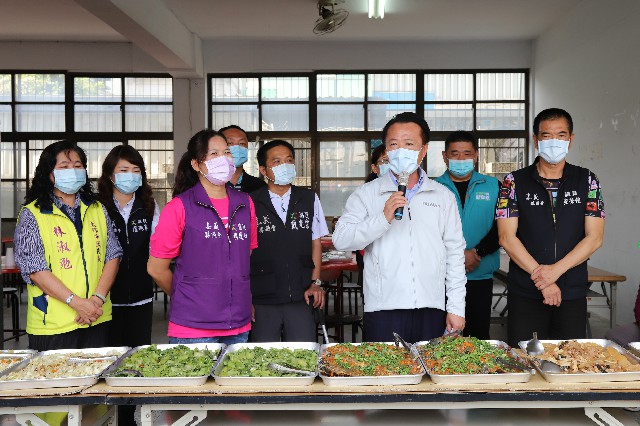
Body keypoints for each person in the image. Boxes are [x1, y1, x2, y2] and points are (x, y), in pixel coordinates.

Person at [333, 112, 467, 343]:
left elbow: (454, 254)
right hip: (383, 308)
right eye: (394, 144)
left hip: (432, 306)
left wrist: (456, 307)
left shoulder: (442, 196)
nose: (401, 150)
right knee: (387, 375)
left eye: (409, 144)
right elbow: (341, 240)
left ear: (423, 150)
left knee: (431, 372)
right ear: (386, 150)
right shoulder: (367, 194)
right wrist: (382, 218)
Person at [496, 108, 605, 347]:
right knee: (525, 361)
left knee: (569, 364)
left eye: (561, 135)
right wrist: (543, 280)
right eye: (546, 136)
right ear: (536, 140)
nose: (554, 142)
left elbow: (594, 238)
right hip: (526, 292)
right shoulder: (513, 182)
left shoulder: (587, 180)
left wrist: (554, 272)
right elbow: (506, 237)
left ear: (571, 139)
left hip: (572, 292)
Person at [147, 129, 258, 344]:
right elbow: (156, 268)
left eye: (226, 152)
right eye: (213, 154)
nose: (223, 159)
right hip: (193, 326)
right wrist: (187, 295)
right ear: (196, 164)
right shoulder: (179, 207)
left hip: (238, 322)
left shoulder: (245, 203)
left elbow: (245, 254)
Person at [14, 140, 122, 351]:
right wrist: (78, 304)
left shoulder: (97, 208)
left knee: (96, 378)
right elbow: (36, 270)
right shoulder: (32, 214)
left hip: (96, 317)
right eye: (64, 166)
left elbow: (113, 256)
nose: (72, 170)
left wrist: (96, 301)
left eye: (77, 165)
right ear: (49, 173)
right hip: (53, 325)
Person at [249, 139, 328, 342]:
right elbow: (243, 251)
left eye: (289, 160)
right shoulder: (250, 201)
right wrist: (244, 296)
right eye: (276, 161)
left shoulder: (309, 198)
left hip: (302, 293)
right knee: (264, 358)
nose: (284, 165)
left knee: (303, 353)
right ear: (263, 170)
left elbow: (316, 242)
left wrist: (316, 282)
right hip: (263, 294)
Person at [435, 131, 500, 340]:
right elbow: (427, 232)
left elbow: (504, 227)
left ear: (476, 155)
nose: (461, 159)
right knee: (443, 339)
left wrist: (476, 252)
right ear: (444, 157)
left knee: (477, 338)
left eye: (466, 153)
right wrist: (456, 256)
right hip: (441, 278)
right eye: (455, 154)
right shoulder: (432, 188)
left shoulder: (494, 186)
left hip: (480, 276)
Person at [98, 145, 160, 348]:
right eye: (123, 171)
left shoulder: (149, 206)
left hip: (141, 296)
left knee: (139, 355)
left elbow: (157, 247)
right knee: (110, 354)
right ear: (109, 174)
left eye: (136, 171)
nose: (131, 176)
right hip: (106, 299)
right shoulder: (98, 207)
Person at [220, 125, 267, 193]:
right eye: (230, 143)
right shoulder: (207, 183)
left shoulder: (259, 186)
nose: (237, 148)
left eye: (242, 143)